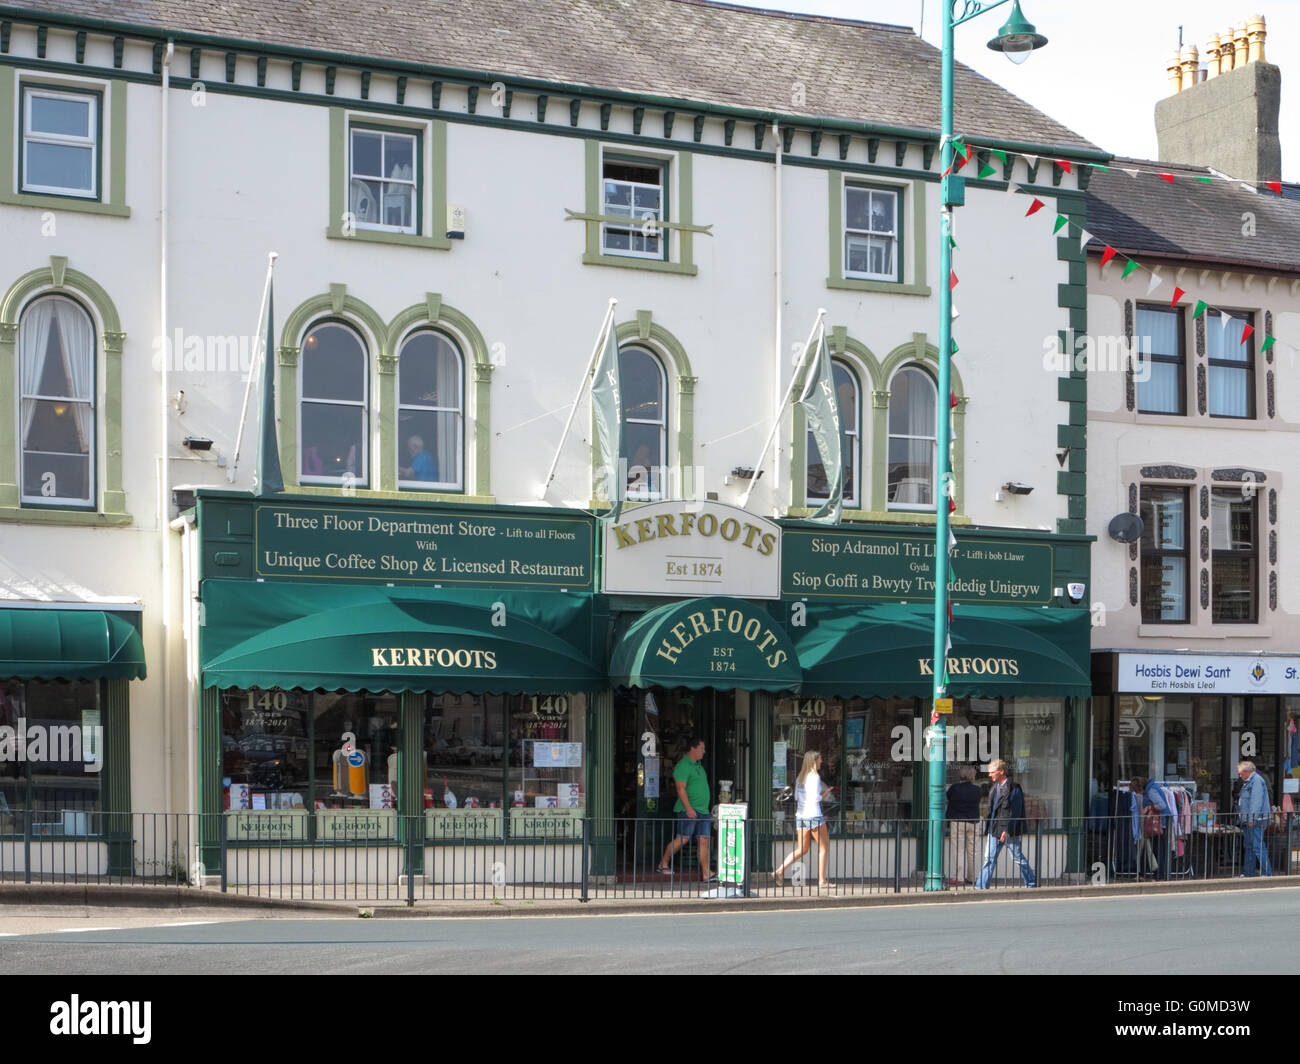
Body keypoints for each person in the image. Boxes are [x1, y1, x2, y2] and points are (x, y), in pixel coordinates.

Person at [774, 750, 835, 891]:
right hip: (814, 815)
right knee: (823, 847)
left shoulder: (800, 777)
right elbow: (815, 798)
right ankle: (822, 880)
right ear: (814, 761)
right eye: (820, 759)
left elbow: (796, 797)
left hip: (800, 816)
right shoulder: (815, 777)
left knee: (802, 849)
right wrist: (824, 794)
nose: (821, 761)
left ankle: (779, 870)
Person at [656, 737, 714, 882]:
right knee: (683, 838)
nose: (704, 751)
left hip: (703, 811)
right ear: (693, 748)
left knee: (704, 840)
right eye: (702, 748)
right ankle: (663, 863)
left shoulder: (698, 765)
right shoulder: (683, 766)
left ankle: (707, 873)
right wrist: (688, 808)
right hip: (689, 810)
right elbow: (680, 788)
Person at [974, 759, 1036, 889]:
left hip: (1008, 831)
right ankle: (981, 887)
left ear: (1001, 772)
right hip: (994, 829)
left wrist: (1008, 830)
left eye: (992, 772)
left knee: (1017, 858)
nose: (989, 775)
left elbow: (1016, 812)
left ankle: (1031, 882)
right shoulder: (994, 788)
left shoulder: (1014, 788)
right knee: (989, 860)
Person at [1128, 776, 1174, 879]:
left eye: (1136, 791)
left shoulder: (1151, 791)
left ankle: (1159, 876)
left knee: (1158, 850)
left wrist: (1149, 807)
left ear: (1140, 788)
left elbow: (1162, 805)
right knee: (1150, 848)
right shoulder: (1151, 788)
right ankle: (1144, 873)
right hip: (1156, 823)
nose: (1136, 794)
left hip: (1159, 824)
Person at [946, 764, 981, 886]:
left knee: (958, 850)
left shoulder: (954, 788)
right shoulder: (977, 790)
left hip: (958, 821)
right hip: (974, 822)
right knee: (973, 851)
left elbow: (948, 797)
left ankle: (959, 877)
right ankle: (971, 877)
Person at [1238, 760, 1273, 877]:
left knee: (1258, 846)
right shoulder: (1250, 782)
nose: (1240, 775)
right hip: (1249, 819)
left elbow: (1256, 802)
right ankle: (1249, 872)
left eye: (1241, 773)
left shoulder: (1256, 781)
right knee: (1249, 846)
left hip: (1255, 820)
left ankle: (1267, 873)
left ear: (1247, 771)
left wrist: (1252, 818)